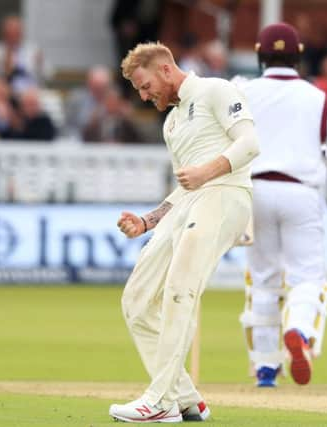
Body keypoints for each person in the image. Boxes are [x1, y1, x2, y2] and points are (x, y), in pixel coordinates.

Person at [111, 41, 259, 423]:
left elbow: (250, 143)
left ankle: (160, 402)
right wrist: (148, 221)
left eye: (145, 86)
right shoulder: (172, 122)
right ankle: (187, 399)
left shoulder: (216, 90)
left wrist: (207, 172)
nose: (144, 96)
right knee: (137, 301)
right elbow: (184, 187)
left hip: (226, 195)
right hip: (192, 203)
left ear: (164, 69)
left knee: (180, 289)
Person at [237, 22, 327, 387]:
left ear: (260, 54)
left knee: (263, 280)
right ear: (298, 56)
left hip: (253, 189)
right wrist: (316, 157)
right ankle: (300, 332)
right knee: (308, 278)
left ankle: (265, 368)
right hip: (300, 190)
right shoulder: (317, 95)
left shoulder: (243, 89)